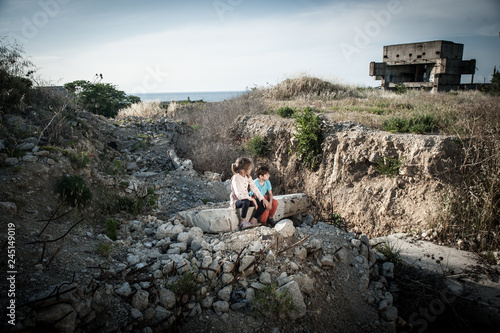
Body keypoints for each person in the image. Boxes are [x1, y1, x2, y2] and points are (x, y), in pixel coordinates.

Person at [230, 157, 269, 229]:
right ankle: (243, 222)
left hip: (247, 199)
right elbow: (239, 195)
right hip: (237, 201)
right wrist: (251, 199)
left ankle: (252, 221)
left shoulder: (248, 177)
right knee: (246, 202)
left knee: (264, 204)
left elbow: (255, 188)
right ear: (243, 170)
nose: (251, 170)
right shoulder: (236, 178)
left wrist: (263, 199)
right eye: (250, 168)